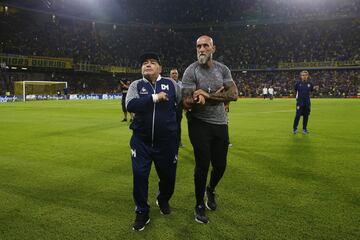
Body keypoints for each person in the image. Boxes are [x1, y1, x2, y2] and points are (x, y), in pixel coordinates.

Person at [182, 35, 238, 224]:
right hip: (198, 124)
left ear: (213, 49)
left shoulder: (223, 69)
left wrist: (208, 95)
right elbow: (186, 101)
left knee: (220, 165)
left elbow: (234, 94)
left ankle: (211, 189)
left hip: (220, 123)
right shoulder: (191, 71)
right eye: (198, 46)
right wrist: (197, 99)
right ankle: (198, 204)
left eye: (206, 46)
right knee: (202, 165)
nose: (202, 49)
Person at [126, 52, 181, 231]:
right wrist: (154, 97)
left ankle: (163, 198)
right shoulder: (136, 85)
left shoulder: (172, 84)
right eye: (144, 63)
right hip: (141, 142)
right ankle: (142, 211)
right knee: (140, 177)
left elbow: (181, 103)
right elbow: (131, 105)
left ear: (160, 68)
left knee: (168, 177)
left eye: (152, 62)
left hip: (166, 143)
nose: (148, 65)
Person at [170, 68, 184, 148]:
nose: (174, 75)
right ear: (170, 75)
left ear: (178, 75)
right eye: (173, 73)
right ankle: (169, 141)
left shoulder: (182, 84)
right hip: (169, 108)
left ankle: (178, 141)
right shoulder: (166, 84)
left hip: (178, 108)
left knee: (178, 125)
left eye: (175, 73)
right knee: (168, 125)